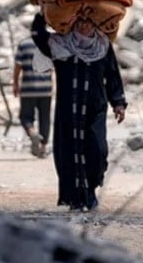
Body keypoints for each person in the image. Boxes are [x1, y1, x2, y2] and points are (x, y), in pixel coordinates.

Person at [30, 12, 127, 212]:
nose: (84, 27)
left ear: (95, 25)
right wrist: (42, 12)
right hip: (68, 111)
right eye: (80, 22)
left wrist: (118, 102)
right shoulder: (61, 46)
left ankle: (90, 191)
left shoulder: (103, 47)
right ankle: (74, 198)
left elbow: (112, 75)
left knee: (97, 150)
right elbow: (38, 35)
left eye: (88, 23)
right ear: (73, 23)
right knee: (69, 153)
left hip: (95, 109)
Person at [13, 32, 54, 158]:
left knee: (25, 117)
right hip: (45, 89)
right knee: (44, 118)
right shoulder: (49, 44)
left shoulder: (24, 44)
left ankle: (32, 132)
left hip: (28, 88)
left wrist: (15, 83)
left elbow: (18, 66)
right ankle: (42, 148)